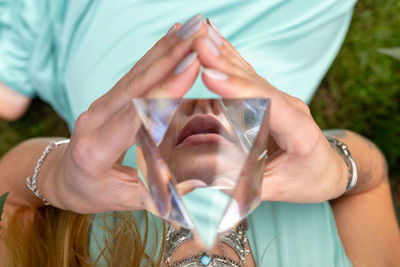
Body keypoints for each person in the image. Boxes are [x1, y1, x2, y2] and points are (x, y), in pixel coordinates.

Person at [0, 2, 399, 266]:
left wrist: (57, 176)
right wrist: (337, 168)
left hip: (113, 46)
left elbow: (12, 204)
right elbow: (370, 184)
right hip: (277, 35)